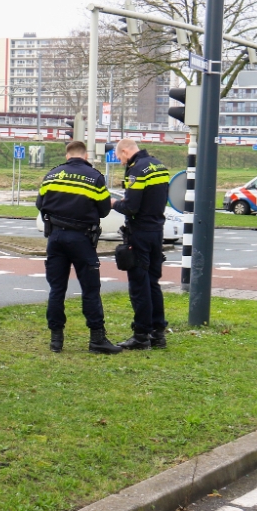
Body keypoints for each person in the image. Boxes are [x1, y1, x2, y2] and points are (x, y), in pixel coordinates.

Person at [36, 141, 122, 355]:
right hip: (82, 239)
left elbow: (40, 204)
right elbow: (103, 210)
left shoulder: (52, 175)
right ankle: (97, 339)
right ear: (85, 156)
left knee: (57, 289)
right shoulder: (94, 177)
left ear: (67, 155)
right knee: (90, 290)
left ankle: (56, 340)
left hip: (55, 238)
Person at [113, 139, 170, 350]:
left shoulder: (137, 170)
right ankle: (158, 333)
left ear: (126, 151)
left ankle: (141, 335)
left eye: (120, 157)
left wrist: (113, 203)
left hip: (140, 233)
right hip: (157, 231)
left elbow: (131, 206)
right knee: (153, 283)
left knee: (139, 285)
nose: (120, 162)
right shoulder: (159, 165)